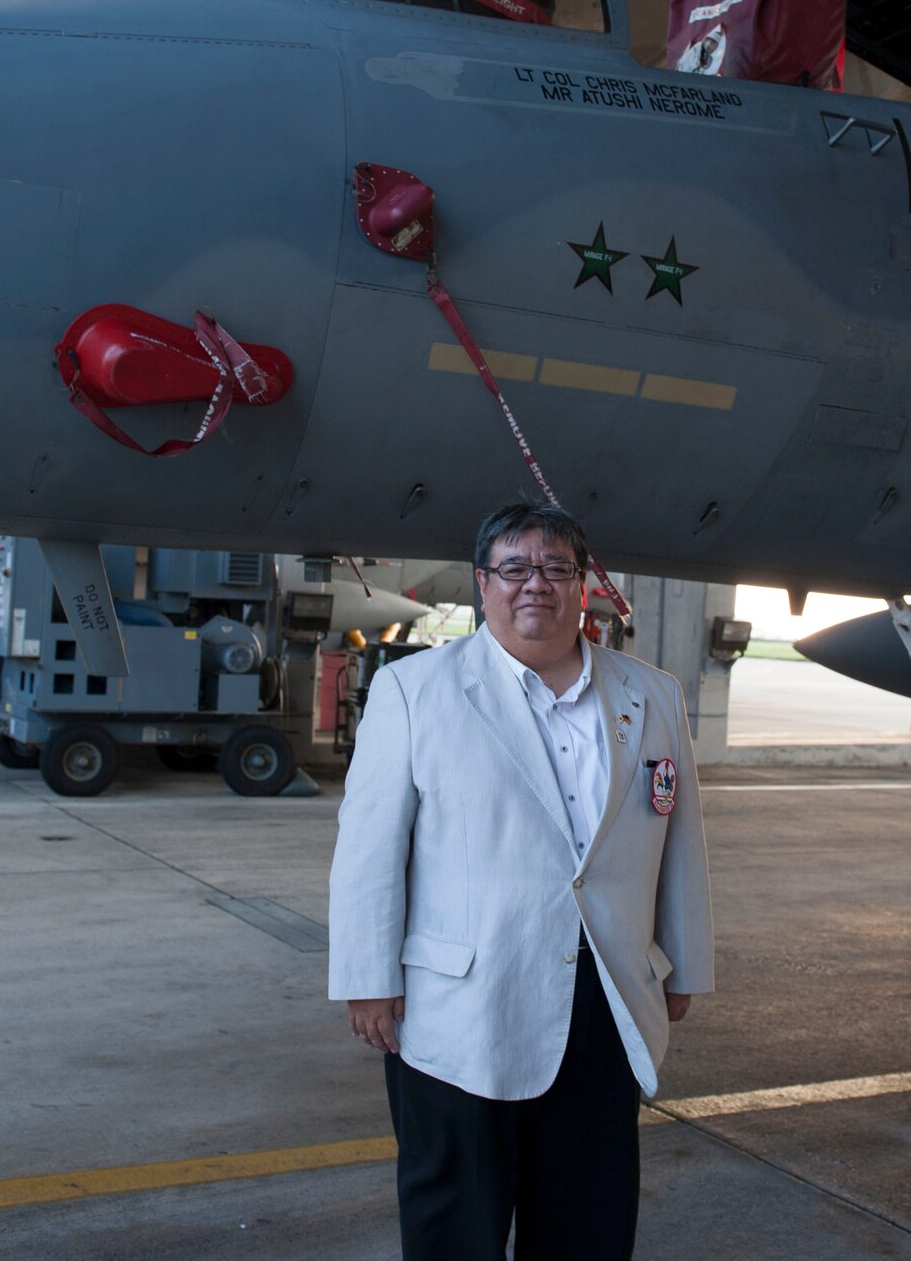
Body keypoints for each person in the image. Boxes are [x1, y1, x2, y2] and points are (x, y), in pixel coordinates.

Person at [328, 502, 714, 1260]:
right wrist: (366, 978)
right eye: (514, 567)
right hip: (459, 1016)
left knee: (587, 1225)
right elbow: (369, 849)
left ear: (583, 587)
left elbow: (680, 843)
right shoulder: (415, 690)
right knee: (456, 1230)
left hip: (602, 1004)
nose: (533, 583)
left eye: (555, 568)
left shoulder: (652, 695)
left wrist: (685, 961)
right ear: (483, 584)